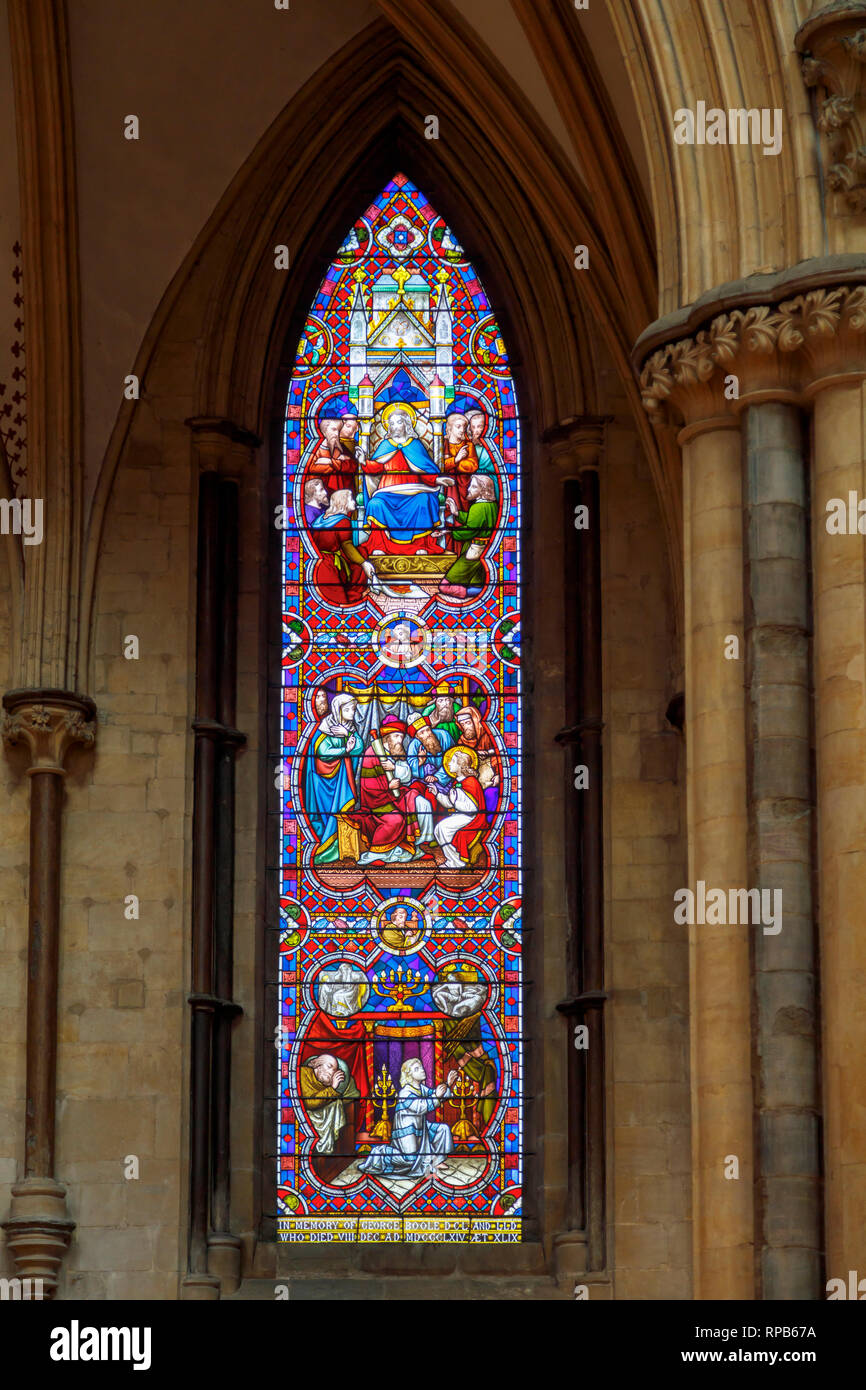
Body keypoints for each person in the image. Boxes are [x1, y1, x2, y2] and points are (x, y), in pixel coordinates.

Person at [357, 1058, 459, 1179]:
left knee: (442, 1129)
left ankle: (437, 1160)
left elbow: (439, 1096)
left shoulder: (422, 1089)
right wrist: (436, 1096)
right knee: (409, 1160)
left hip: (421, 1128)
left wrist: (447, 1084)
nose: (422, 1070)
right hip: (406, 1131)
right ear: (409, 1074)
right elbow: (420, 1107)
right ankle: (380, 1154)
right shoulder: (405, 1092)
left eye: (421, 1067)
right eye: (417, 1069)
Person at [363, 408, 444, 555]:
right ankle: (380, 546)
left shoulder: (415, 445)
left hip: (414, 489)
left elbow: (424, 469)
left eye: (398, 422)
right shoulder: (385, 445)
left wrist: (437, 479)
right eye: (391, 424)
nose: (394, 426)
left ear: (407, 424)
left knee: (423, 500)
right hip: (387, 490)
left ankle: (421, 546)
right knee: (375, 504)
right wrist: (364, 462)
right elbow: (375, 468)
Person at [304, 692, 361, 864]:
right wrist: (345, 750)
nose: (353, 713)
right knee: (329, 815)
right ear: (338, 710)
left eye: (354, 709)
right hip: (323, 782)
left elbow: (358, 747)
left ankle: (343, 848)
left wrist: (346, 736)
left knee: (343, 813)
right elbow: (322, 752)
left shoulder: (348, 729)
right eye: (349, 709)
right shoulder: (325, 727)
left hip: (342, 781)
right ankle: (327, 848)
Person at [311, 489, 378, 606]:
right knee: (361, 554)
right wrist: (363, 563)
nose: (354, 502)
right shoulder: (342, 522)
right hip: (331, 564)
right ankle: (355, 593)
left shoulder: (321, 519)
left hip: (317, 559)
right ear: (343, 503)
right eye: (351, 499)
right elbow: (347, 547)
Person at [439, 474, 497, 599]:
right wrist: (457, 513)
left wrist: (450, 531)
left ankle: (469, 594)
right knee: (477, 583)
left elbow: (470, 530)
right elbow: (477, 521)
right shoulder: (491, 506)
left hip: (474, 551)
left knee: (444, 586)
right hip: (485, 551)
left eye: (474, 486)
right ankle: (482, 593)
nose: (469, 489)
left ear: (483, 491)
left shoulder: (478, 507)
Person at [431, 747, 488, 869]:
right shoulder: (457, 782)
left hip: (471, 818)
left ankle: (456, 862)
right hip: (461, 816)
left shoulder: (471, 783)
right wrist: (437, 794)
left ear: (461, 766)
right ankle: (452, 859)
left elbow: (471, 808)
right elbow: (449, 803)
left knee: (442, 828)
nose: (448, 764)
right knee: (438, 829)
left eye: (452, 761)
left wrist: (455, 802)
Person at [299, 1054, 360, 1154]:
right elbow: (310, 1103)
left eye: (334, 1069)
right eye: (329, 1066)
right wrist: (333, 1088)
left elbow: (352, 1095)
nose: (332, 1072)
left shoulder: (323, 1082)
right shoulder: (303, 1073)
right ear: (318, 1065)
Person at [440, 412, 479, 513]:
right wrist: (456, 459)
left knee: (463, 510)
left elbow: (473, 465)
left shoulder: (468, 445)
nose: (462, 430)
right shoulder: (442, 444)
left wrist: (455, 464)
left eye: (464, 427)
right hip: (445, 485)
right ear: (449, 428)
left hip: (464, 485)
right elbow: (438, 465)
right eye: (458, 427)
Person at [308, 417, 357, 495]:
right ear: (324, 431)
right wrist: (337, 465)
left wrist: (331, 462)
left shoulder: (341, 448)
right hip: (320, 493)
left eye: (338, 430)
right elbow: (311, 468)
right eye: (333, 429)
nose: (336, 434)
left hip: (342, 492)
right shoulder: (315, 450)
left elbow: (353, 466)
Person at [464, 410, 499, 499]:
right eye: (473, 427)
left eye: (479, 427)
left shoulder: (493, 450)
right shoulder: (469, 449)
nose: (476, 431)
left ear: (486, 428)